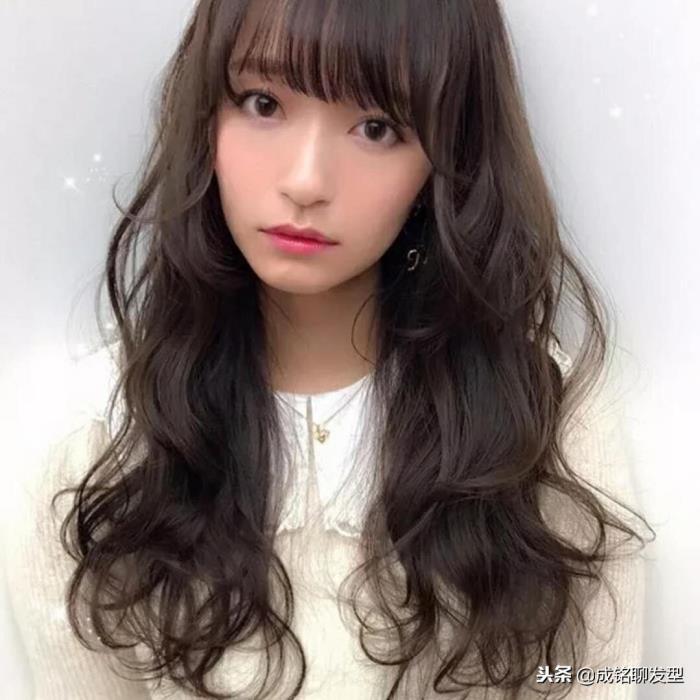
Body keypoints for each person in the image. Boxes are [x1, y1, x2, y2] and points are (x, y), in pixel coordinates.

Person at [6, 0, 654, 698]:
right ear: (206, 114)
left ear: (445, 157)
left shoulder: (547, 422)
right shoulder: (94, 445)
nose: (307, 181)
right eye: (263, 103)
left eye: (377, 127)